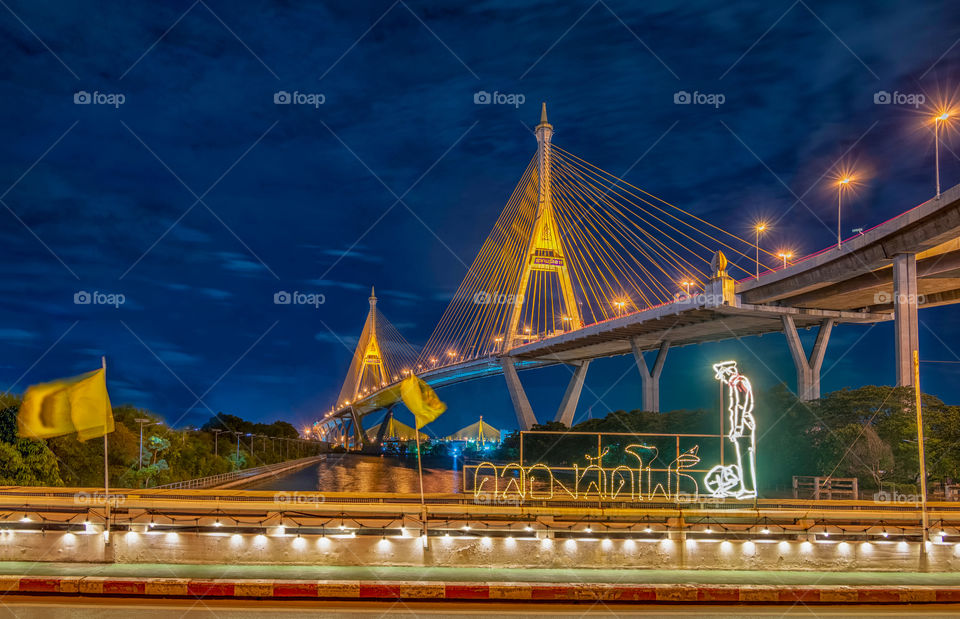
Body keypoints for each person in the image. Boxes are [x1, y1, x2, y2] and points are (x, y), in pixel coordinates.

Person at [713, 360, 756, 499]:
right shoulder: (736, 383)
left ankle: (748, 488)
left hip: (743, 426)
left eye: (723, 376)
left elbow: (740, 406)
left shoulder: (739, 382)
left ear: (729, 372)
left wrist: (737, 428)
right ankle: (746, 487)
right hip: (742, 425)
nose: (723, 380)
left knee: (744, 456)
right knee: (742, 457)